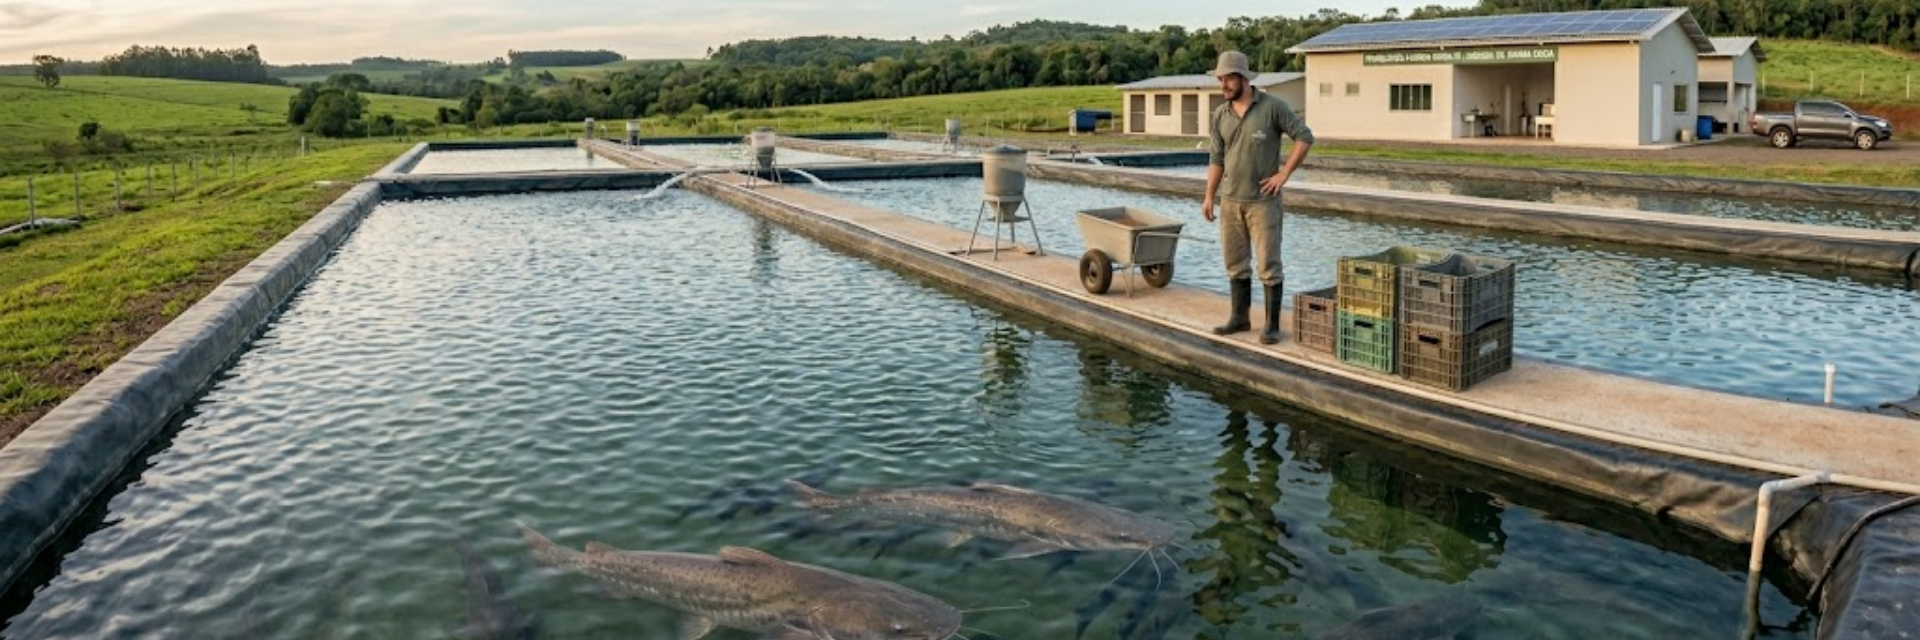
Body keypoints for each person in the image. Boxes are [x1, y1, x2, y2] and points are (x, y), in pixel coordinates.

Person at [1202, 51, 1314, 345]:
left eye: (1228, 79)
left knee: (1268, 265)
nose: (1223, 85)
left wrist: (1283, 174)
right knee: (1235, 262)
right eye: (1220, 79)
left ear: (1243, 78)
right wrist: (1209, 196)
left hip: (1263, 203)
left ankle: (1272, 326)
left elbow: (1304, 137)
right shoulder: (1220, 114)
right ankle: (1239, 318)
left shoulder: (1273, 107)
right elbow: (1216, 158)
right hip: (1230, 202)